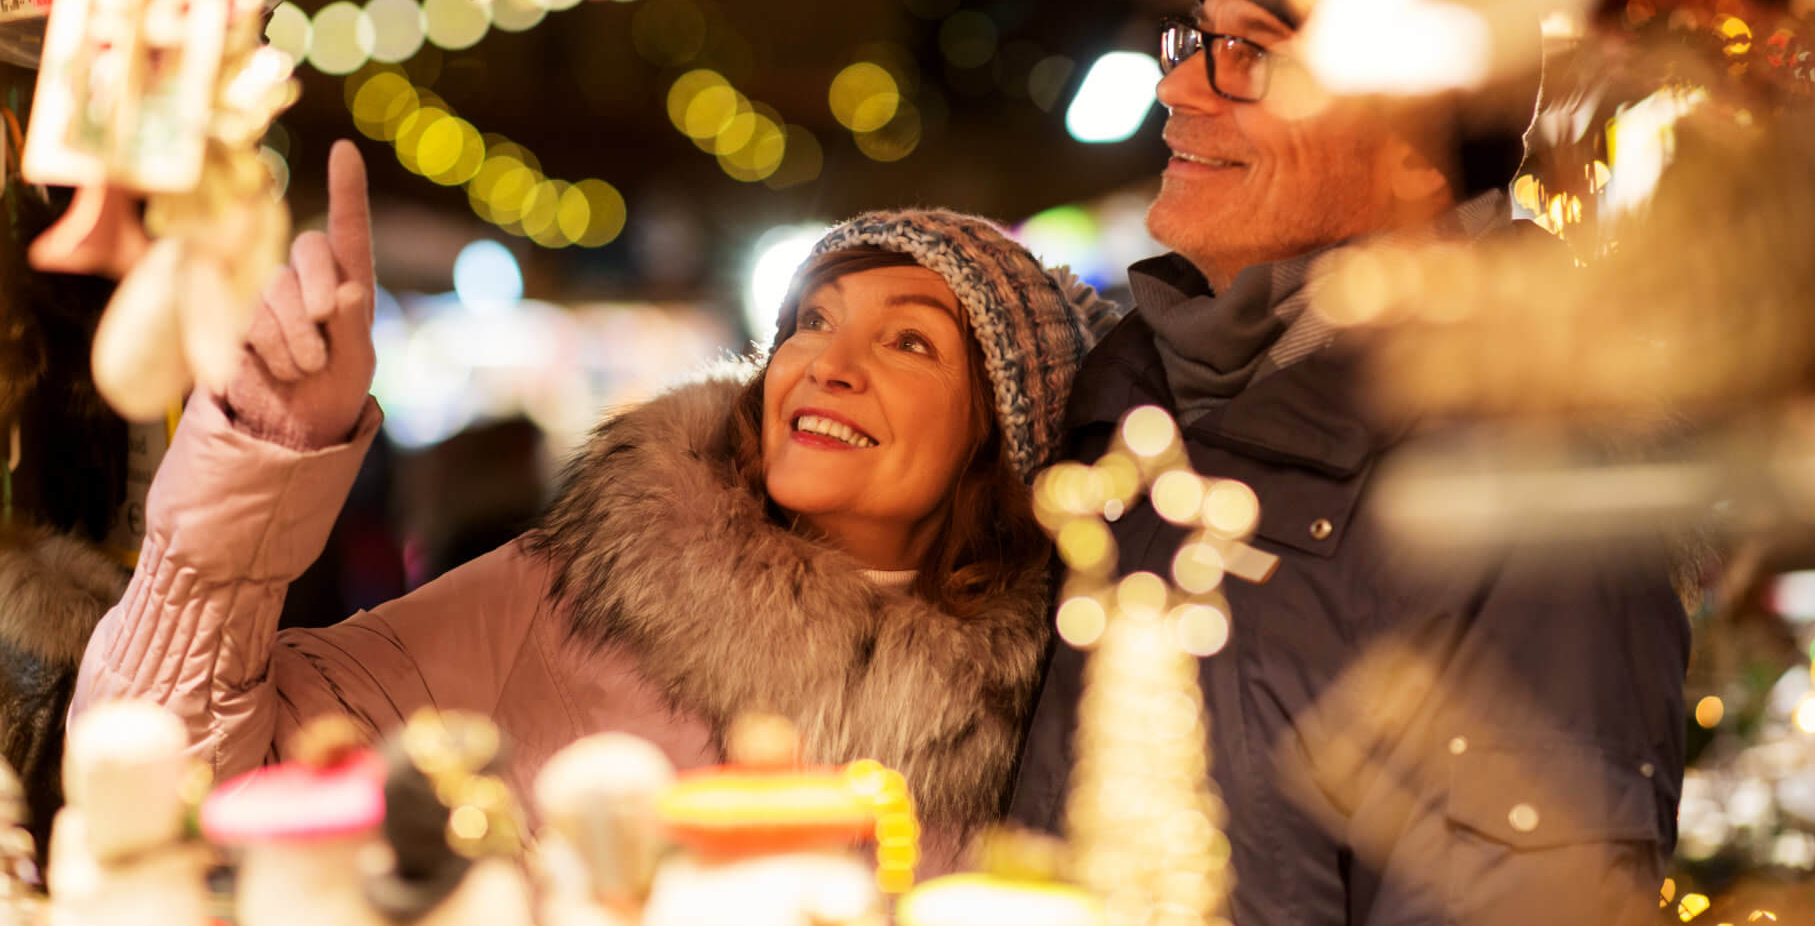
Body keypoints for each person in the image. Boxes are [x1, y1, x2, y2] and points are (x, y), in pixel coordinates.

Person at [70, 140, 1119, 863]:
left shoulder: (1055, 714)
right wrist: (263, 454)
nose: (826, 364)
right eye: (812, 320)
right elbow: (171, 780)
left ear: (1003, 435)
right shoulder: (575, 594)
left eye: (909, 342)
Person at [1004, 0, 1691, 925]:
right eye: (1196, 40)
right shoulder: (1121, 396)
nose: (1177, 87)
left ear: (1417, 136)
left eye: (1251, 52)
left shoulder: (1531, 471)